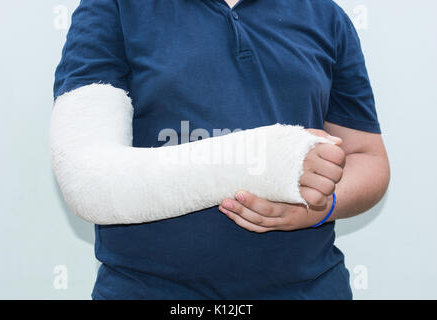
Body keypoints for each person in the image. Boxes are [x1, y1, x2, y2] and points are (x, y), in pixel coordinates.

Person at [52, 0, 390, 299]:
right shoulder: (114, 7)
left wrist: (319, 207)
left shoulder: (326, 16)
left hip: (309, 289)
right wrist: (265, 159)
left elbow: (367, 156)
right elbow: (89, 176)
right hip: (146, 290)